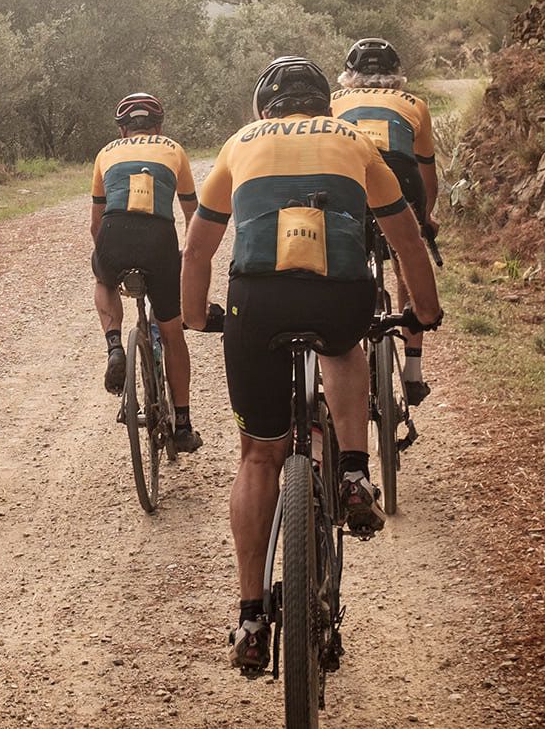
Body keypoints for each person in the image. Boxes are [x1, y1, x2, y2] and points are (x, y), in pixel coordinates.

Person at [182, 56, 442, 675]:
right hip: (339, 296)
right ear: (324, 103)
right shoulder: (351, 140)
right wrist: (424, 313)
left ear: (263, 107)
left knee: (257, 455)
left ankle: (250, 616)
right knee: (343, 346)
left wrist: (196, 316)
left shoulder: (239, 143)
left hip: (257, 303)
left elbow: (197, 246)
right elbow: (407, 239)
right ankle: (353, 472)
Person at [90, 92, 203, 452]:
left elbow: (96, 224)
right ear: (159, 126)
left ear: (123, 130)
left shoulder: (106, 153)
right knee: (172, 335)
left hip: (114, 234)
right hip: (159, 239)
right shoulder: (174, 149)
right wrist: (185, 255)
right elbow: (193, 216)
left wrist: (107, 254)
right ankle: (182, 425)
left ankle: (113, 346)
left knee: (101, 277)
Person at [332, 37, 439, 404]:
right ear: (396, 75)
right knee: (407, 255)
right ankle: (412, 371)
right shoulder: (416, 105)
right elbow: (426, 171)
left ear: (349, 75)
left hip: (352, 178)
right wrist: (425, 218)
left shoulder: (332, 101)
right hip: (402, 178)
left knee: (343, 257)